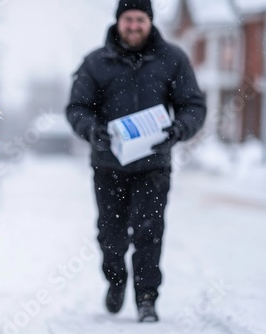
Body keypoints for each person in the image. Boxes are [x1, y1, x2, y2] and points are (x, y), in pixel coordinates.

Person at [65, 0, 206, 322]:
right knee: (110, 235)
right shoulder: (95, 62)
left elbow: (193, 105)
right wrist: (92, 130)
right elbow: (77, 108)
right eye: (128, 19)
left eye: (139, 19)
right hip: (108, 165)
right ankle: (116, 280)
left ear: (150, 21)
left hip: (154, 166)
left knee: (149, 231)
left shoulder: (173, 59)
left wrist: (180, 129)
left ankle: (146, 298)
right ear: (118, 21)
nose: (133, 25)